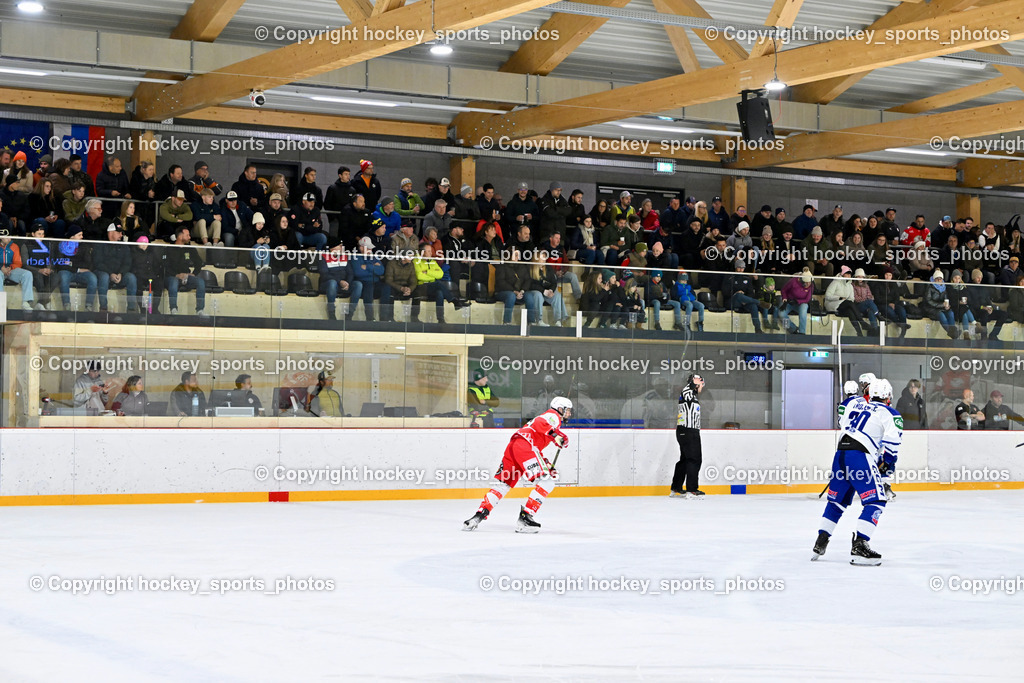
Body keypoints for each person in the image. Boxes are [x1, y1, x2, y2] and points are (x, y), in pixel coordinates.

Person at [811, 379, 902, 566]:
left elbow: (845, 425)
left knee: (836, 502)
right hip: (859, 457)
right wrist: (888, 463)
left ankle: (821, 539)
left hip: (840, 454)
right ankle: (860, 545)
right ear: (887, 396)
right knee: (876, 500)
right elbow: (892, 446)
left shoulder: (855, 404)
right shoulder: (890, 413)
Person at [463, 397, 572, 533]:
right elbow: (540, 424)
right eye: (568, 411)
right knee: (547, 483)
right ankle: (525, 518)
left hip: (514, 448)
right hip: (525, 447)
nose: (569, 414)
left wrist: (547, 464)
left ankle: (478, 516)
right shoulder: (553, 416)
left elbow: (535, 447)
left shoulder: (549, 421)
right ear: (560, 409)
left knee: (502, 485)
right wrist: (557, 435)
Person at [670, 373, 705, 498]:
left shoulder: (692, 397)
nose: (702, 387)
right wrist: (695, 381)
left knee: (685, 460)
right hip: (689, 431)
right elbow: (687, 389)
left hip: (685, 431)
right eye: (701, 384)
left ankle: (676, 487)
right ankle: (692, 489)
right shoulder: (687, 393)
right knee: (694, 459)